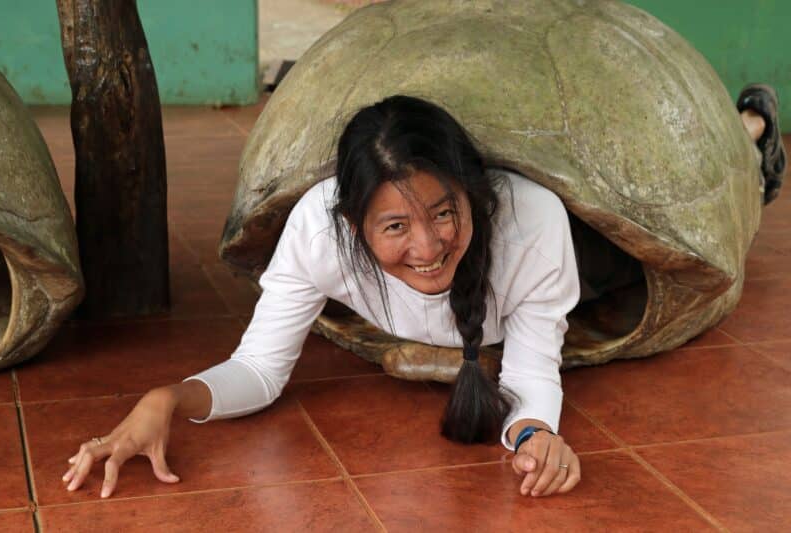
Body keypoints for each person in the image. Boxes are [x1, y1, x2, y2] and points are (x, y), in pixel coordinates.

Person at [61, 87, 785, 500]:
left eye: (444, 212)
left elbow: (533, 366)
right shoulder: (316, 231)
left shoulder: (533, 224)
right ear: (351, 224)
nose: (429, 247)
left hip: (585, 252)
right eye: (395, 226)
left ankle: (748, 131)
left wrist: (534, 432)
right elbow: (259, 368)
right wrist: (168, 398)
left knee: (670, 226)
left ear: (473, 192)